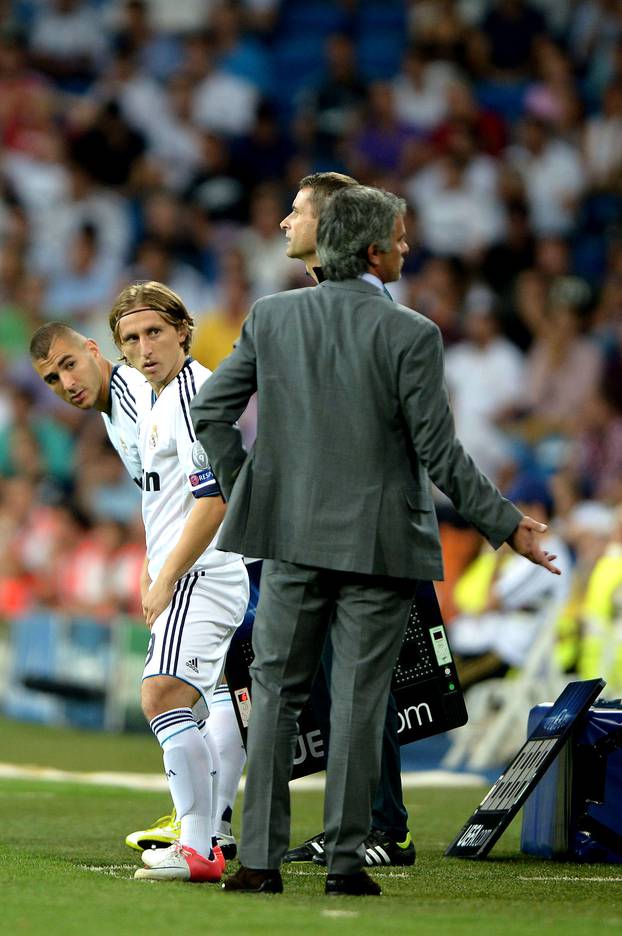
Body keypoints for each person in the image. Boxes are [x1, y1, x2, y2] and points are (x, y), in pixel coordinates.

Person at [190, 185, 560, 896]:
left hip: (290, 541)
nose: (408, 247)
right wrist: (506, 523)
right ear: (371, 250)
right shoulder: (411, 334)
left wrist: (249, 491)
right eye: (400, 236)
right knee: (361, 702)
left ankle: (259, 865)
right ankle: (346, 865)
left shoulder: (272, 317)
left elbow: (212, 414)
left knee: (275, 699)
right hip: (379, 548)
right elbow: (442, 455)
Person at [29, 321, 246, 861]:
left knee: (179, 692)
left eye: (70, 364)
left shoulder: (139, 392)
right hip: (208, 550)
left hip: (220, 550)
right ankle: (210, 825)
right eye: (52, 379)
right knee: (221, 686)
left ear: (94, 351)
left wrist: (167, 567)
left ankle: (203, 828)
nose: (67, 383)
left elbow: (200, 479)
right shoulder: (115, 411)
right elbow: (159, 489)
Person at [280, 171, 416, 869]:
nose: (284, 221)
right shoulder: (315, 301)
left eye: (298, 211)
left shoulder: (368, 310)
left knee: (358, 683)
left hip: (363, 525)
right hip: (323, 518)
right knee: (342, 685)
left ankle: (379, 828)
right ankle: (358, 825)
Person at [107, 281, 250, 883]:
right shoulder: (156, 398)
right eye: (132, 339)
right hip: (191, 570)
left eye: (155, 333)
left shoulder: (193, 395)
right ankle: (206, 835)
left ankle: (197, 847)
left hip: (203, 571)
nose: (144, 348)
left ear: (183, 331)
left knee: (162, 695)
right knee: (204, 698)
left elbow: (214, 500)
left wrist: (164, 576)